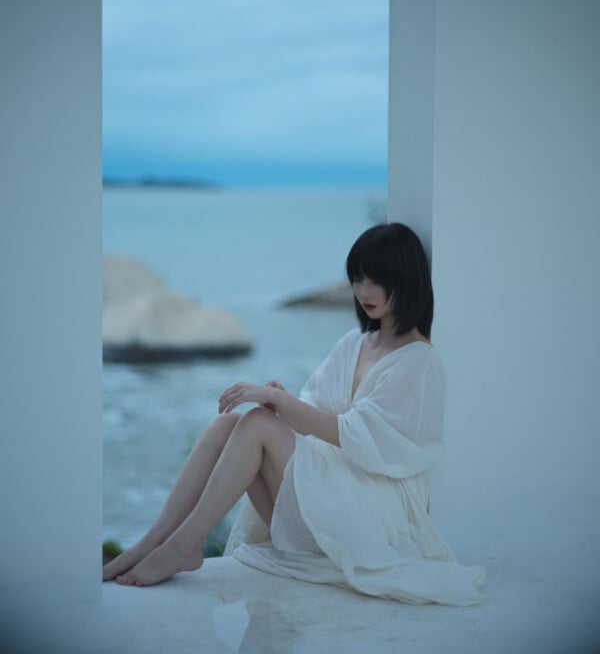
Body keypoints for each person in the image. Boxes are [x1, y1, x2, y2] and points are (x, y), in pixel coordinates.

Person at [103, 222, 484, 605]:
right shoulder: (353, 343)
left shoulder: (420, 362)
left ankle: (185, 545)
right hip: (322, 506)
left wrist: (278, 403)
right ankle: (152, 542)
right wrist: (280, 403)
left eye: (376, 281)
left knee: (255, 424)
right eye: (357, 279)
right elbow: (312, 418)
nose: (362, 292)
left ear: (406, 280)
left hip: (370, 520)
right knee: (230, 423)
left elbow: (363, 437)